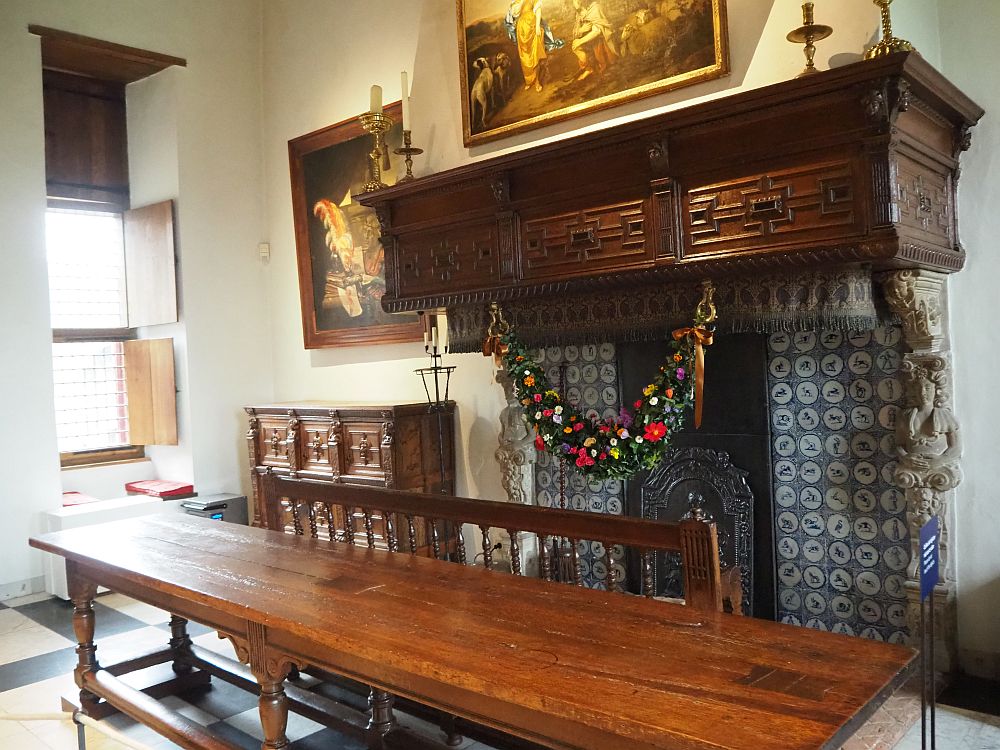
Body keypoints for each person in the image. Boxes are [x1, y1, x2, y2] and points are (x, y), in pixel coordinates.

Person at [505, 0, 563, 92]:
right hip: (522, 29)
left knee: (535, 56)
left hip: (533, 26)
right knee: (525, 57)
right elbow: (515, 13)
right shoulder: (516, 2)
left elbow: (538, 11)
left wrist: (537, 27)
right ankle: (529, 80)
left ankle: (537, 82)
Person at [571, 0, 617, 81]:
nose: (575, 3)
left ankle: (598, 65)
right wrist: (581, 30)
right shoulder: (579, 13)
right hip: (588, 39)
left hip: (601, 39)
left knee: (590, 44)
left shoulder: (595, 8)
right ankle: (588, 68)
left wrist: (581, 41)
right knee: (575, 46)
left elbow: (597, 31)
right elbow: (575, 32)